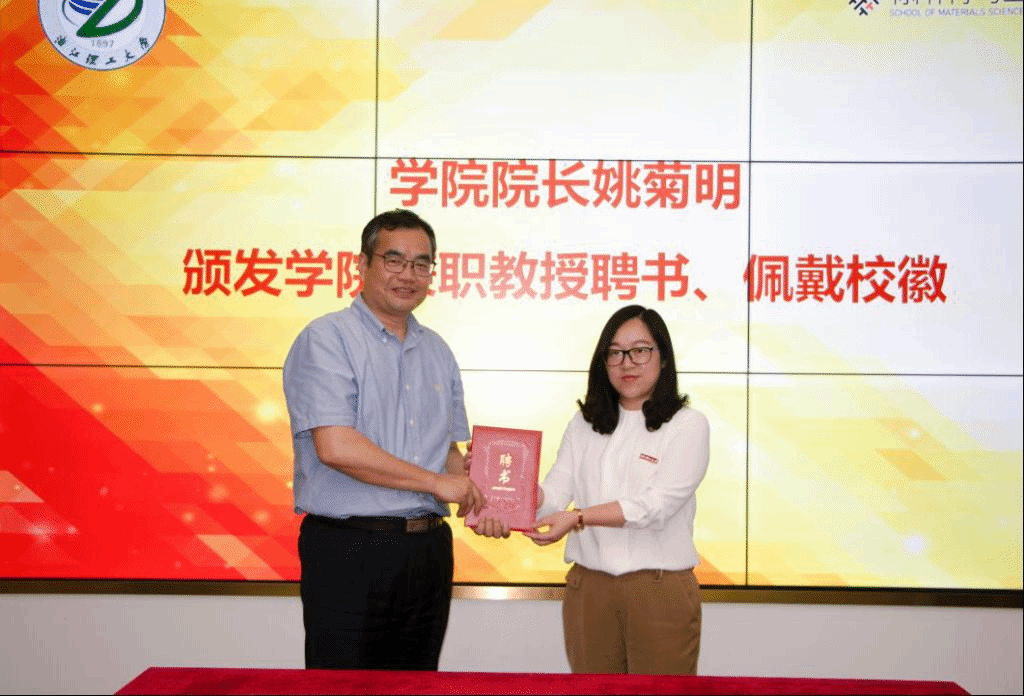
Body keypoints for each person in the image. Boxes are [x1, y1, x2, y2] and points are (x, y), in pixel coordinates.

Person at [282, 208, 485, 671]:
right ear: (362, 264)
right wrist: (437, 484)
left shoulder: (437, 350)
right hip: (350, 548)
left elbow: (447, 453)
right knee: (344, 686)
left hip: (427, 551)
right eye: (394, 260)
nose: (408, 275)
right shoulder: (326, 338)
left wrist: (479, 493)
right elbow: (336, 447)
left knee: (417, 682)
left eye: (421, 264)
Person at [477, 304, 709, 674]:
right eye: (614, 353)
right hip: (589, 587)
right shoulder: (584, 424)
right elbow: (555, 491)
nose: (627, 363)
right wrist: (504, 491)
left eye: (640, 350)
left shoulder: (687, 424)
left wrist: (579, 517)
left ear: (663, 358)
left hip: (657, 587)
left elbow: (656, 506)